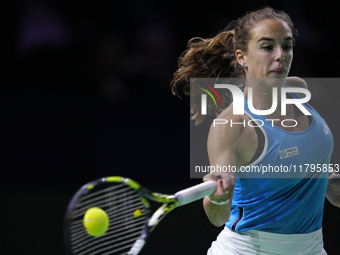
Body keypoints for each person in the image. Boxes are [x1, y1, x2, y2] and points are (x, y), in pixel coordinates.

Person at [171, 7, 340, 255]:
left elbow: (328, 184)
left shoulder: (301, 91)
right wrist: (220, 195)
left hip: (312, 248)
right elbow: (217, 216)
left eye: (287, 45)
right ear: (242, 57)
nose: (281, 55)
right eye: (267, 46)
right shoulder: (232, 126)